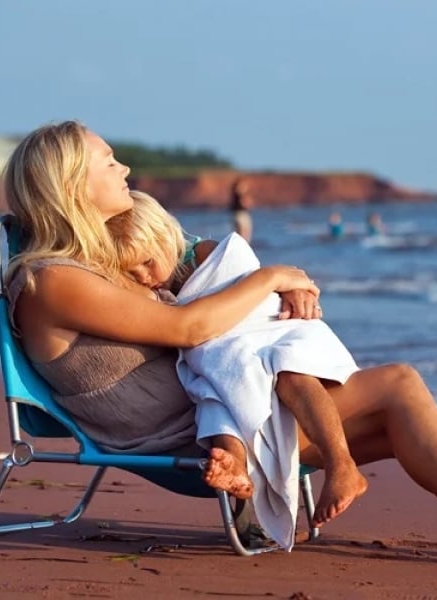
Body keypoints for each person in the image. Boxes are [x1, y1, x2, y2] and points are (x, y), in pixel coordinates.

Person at [2, 119, 437, 573]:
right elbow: (188, 329)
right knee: (399, 387)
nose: (125, 167)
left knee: (409, 415)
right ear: (70, 185)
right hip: (197, 437)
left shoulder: (97, 265)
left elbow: (188, 259)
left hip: (218, 420)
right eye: (108, 161)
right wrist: (273, 277)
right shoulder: (53, 280)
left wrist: (262, 276)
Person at [107, 191, 368, 529]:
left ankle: (342, 465)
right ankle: (235, 467)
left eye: (146, 262)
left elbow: (247, 277)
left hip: (269, 336)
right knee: (214, 396)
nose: (144, 276)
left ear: (163, 237)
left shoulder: (208, 254)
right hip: (228, 355)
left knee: (293, 376)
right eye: (133, 273)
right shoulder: (155, 290)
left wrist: (288, 290)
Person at [230, 177, 253, 242]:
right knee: (242, 234)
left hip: (240, 215)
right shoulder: (239, 195)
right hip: (241, 215)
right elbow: (246, 204)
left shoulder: (237, 196)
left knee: (242, 234)